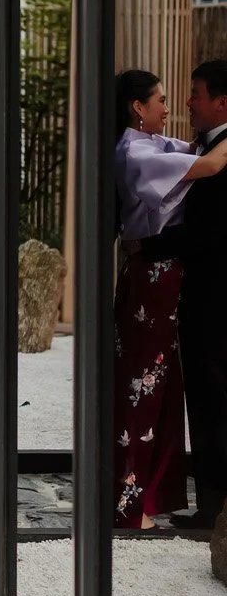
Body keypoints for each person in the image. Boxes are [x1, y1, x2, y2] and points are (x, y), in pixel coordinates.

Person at [114, 68, 227, 530]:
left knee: (160, 387)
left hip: (170, 280)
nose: (174, 105)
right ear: (138, 108)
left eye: (187, 95)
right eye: (161, 99)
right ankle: (130, 502)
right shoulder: (134, 150)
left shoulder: (158, 145)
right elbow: (210, 165)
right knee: (144, 385)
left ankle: (152, 497)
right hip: (154, 281)